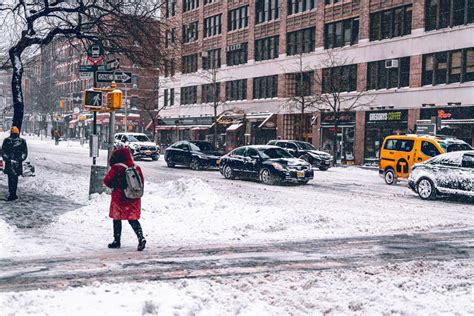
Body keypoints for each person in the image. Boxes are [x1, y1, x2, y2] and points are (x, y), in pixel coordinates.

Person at [103, 147, 146, 251]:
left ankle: (116, 241)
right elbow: (142, 181)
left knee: (117, 219)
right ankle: (141, 238)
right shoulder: (136, 167)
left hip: (119, 197)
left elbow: (107, 181)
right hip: (133, 196)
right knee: (132, 219)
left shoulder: (117, 167)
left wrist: (115, 185)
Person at [1, 126, 28, 201]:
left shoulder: (7, 141)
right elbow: (24, 153)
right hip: (16, 163)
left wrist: (8, 158)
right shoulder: (22, 141)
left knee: (11, 178)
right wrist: (20, 159)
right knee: (15, 178)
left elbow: (3, 152)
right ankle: (13, 193)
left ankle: (12, 193)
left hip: (10, 163)